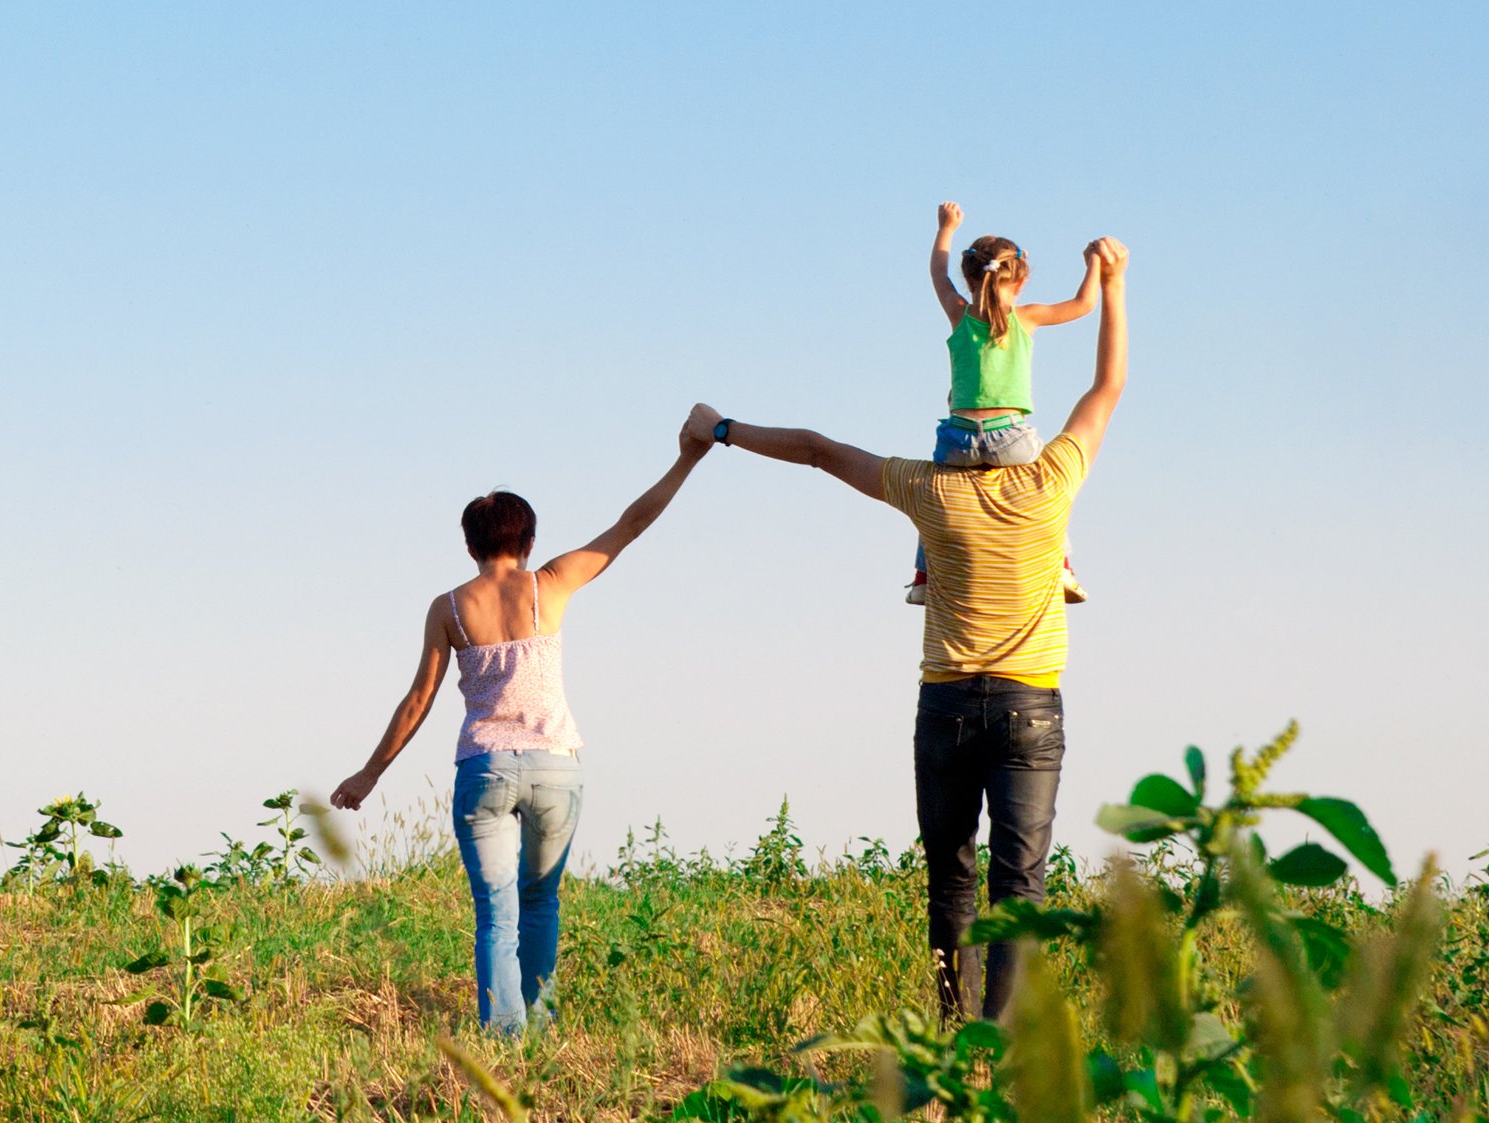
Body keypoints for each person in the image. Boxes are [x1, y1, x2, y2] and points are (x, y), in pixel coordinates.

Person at [685, 236, 1129, 1019]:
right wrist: (1114, 284)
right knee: (1018, 881)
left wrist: (723, 429)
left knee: (950, 875)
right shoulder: (1054, 481)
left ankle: (953, 1026)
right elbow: (1107, 385)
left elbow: (821, 451)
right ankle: (998, 1039)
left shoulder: (929, 491)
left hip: (947, 709)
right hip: (1031, 705)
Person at [329, 424, 711, 1032]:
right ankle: (538, 1028)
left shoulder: (449, 607)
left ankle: (504, 1042)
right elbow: (632, 524)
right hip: (557, 766)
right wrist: (686, 461)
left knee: (495, 917)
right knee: (540, 904)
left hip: (485, 768)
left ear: (469, 545)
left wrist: (368, 774)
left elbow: (418, 700)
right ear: (528, 542)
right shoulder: (551, 583)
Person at [907, 201, 1100, 607]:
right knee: (1051, 490)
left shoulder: (958, 313)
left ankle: (924, 575)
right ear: (1022, 280)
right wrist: (1095, 266)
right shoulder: (1026, 317)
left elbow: (937, 274)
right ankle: (1061, 565)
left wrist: (946, 227)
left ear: (969, 276)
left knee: (932, 498)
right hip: (1010, 438)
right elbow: (1084, 304)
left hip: (957, 439)